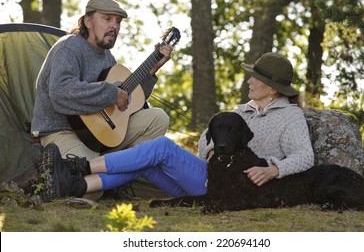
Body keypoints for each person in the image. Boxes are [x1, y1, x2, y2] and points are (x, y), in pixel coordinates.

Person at [34, 52, 314, 200]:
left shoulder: (290, 117)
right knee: (146, 163)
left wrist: (274, 169)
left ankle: (78, 167)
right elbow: (206, 139)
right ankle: (76, 186)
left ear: (274, 90)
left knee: (162, 148)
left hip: (234, 188)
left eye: (255, 78)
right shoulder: (241, 111)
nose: (249, 81)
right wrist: (210, 150)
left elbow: (305, 156)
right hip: (211, 178)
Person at [31, 0, 173, 161]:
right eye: (107, 19)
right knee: (88, 179)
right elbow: (60, 92)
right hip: (62, 131)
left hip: (99, 134)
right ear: (88, 22)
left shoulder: (107, 57)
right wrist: (112, 93)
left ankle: (120, 166)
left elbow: (130, 102)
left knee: (158, 119)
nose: (114, 26)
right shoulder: (69, 47)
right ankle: (109, 168)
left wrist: (152, 70)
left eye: (118, 21)